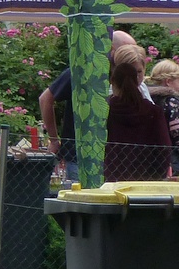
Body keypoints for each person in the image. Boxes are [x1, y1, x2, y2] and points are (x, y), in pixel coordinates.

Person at [40, 29, 142, 180]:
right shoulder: (83, 70)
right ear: (112, 50)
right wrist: (54, 140)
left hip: (117, 159)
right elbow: (45, 99)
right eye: (126, 50)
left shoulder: (131, 78)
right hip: (80, 157)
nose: (131, 54)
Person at [106, 43, 172, 181]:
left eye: (138, 72)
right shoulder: (153, 111)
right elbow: (163, 148)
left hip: (113, 179)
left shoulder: (105, 108)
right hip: (145, 180)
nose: (134, 78)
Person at [146, 58, 179, 174]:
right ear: (168, 81)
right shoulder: (171, 102)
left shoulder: (147, 98)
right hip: (173, 162)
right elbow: (177, 133)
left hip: (149, 158)